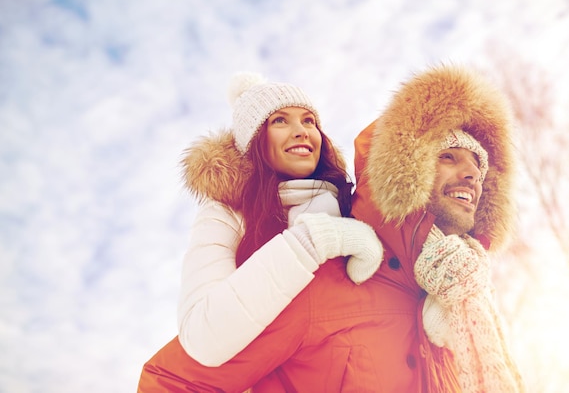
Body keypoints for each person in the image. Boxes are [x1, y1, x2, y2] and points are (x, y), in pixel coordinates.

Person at [138, 73, 428, 392]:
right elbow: (204, 337)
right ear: (254, 141)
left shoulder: (353, 204)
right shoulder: (227, 214)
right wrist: (315, 240)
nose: (301, 131)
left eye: (308, 120)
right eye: (280, 121)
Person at [351, 64, 525, 392]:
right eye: (449, 157)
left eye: (479, 165)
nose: (473, 174)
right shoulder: (337, 278)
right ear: (409, 167)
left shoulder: (465, 300)